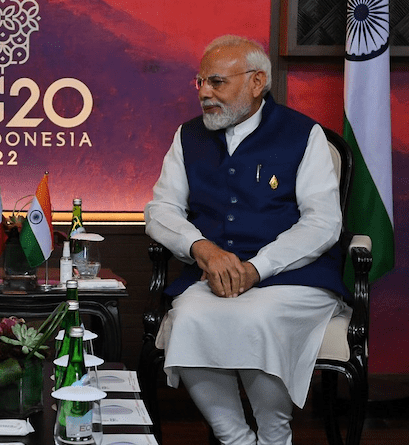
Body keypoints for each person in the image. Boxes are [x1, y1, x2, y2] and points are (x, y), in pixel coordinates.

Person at [145, 35, 350, 445]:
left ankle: (275, 435)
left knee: (258, 318)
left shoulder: (303, 134)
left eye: (217, 82)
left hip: (295, 277)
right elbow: (160, 210)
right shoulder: (187, 137)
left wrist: (259, 267)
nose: (204, 93)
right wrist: (201, 248)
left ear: (257, 82)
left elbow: (323, 223)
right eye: (200, 82)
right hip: (212, 276)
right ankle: (236, 437)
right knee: (187, 318)